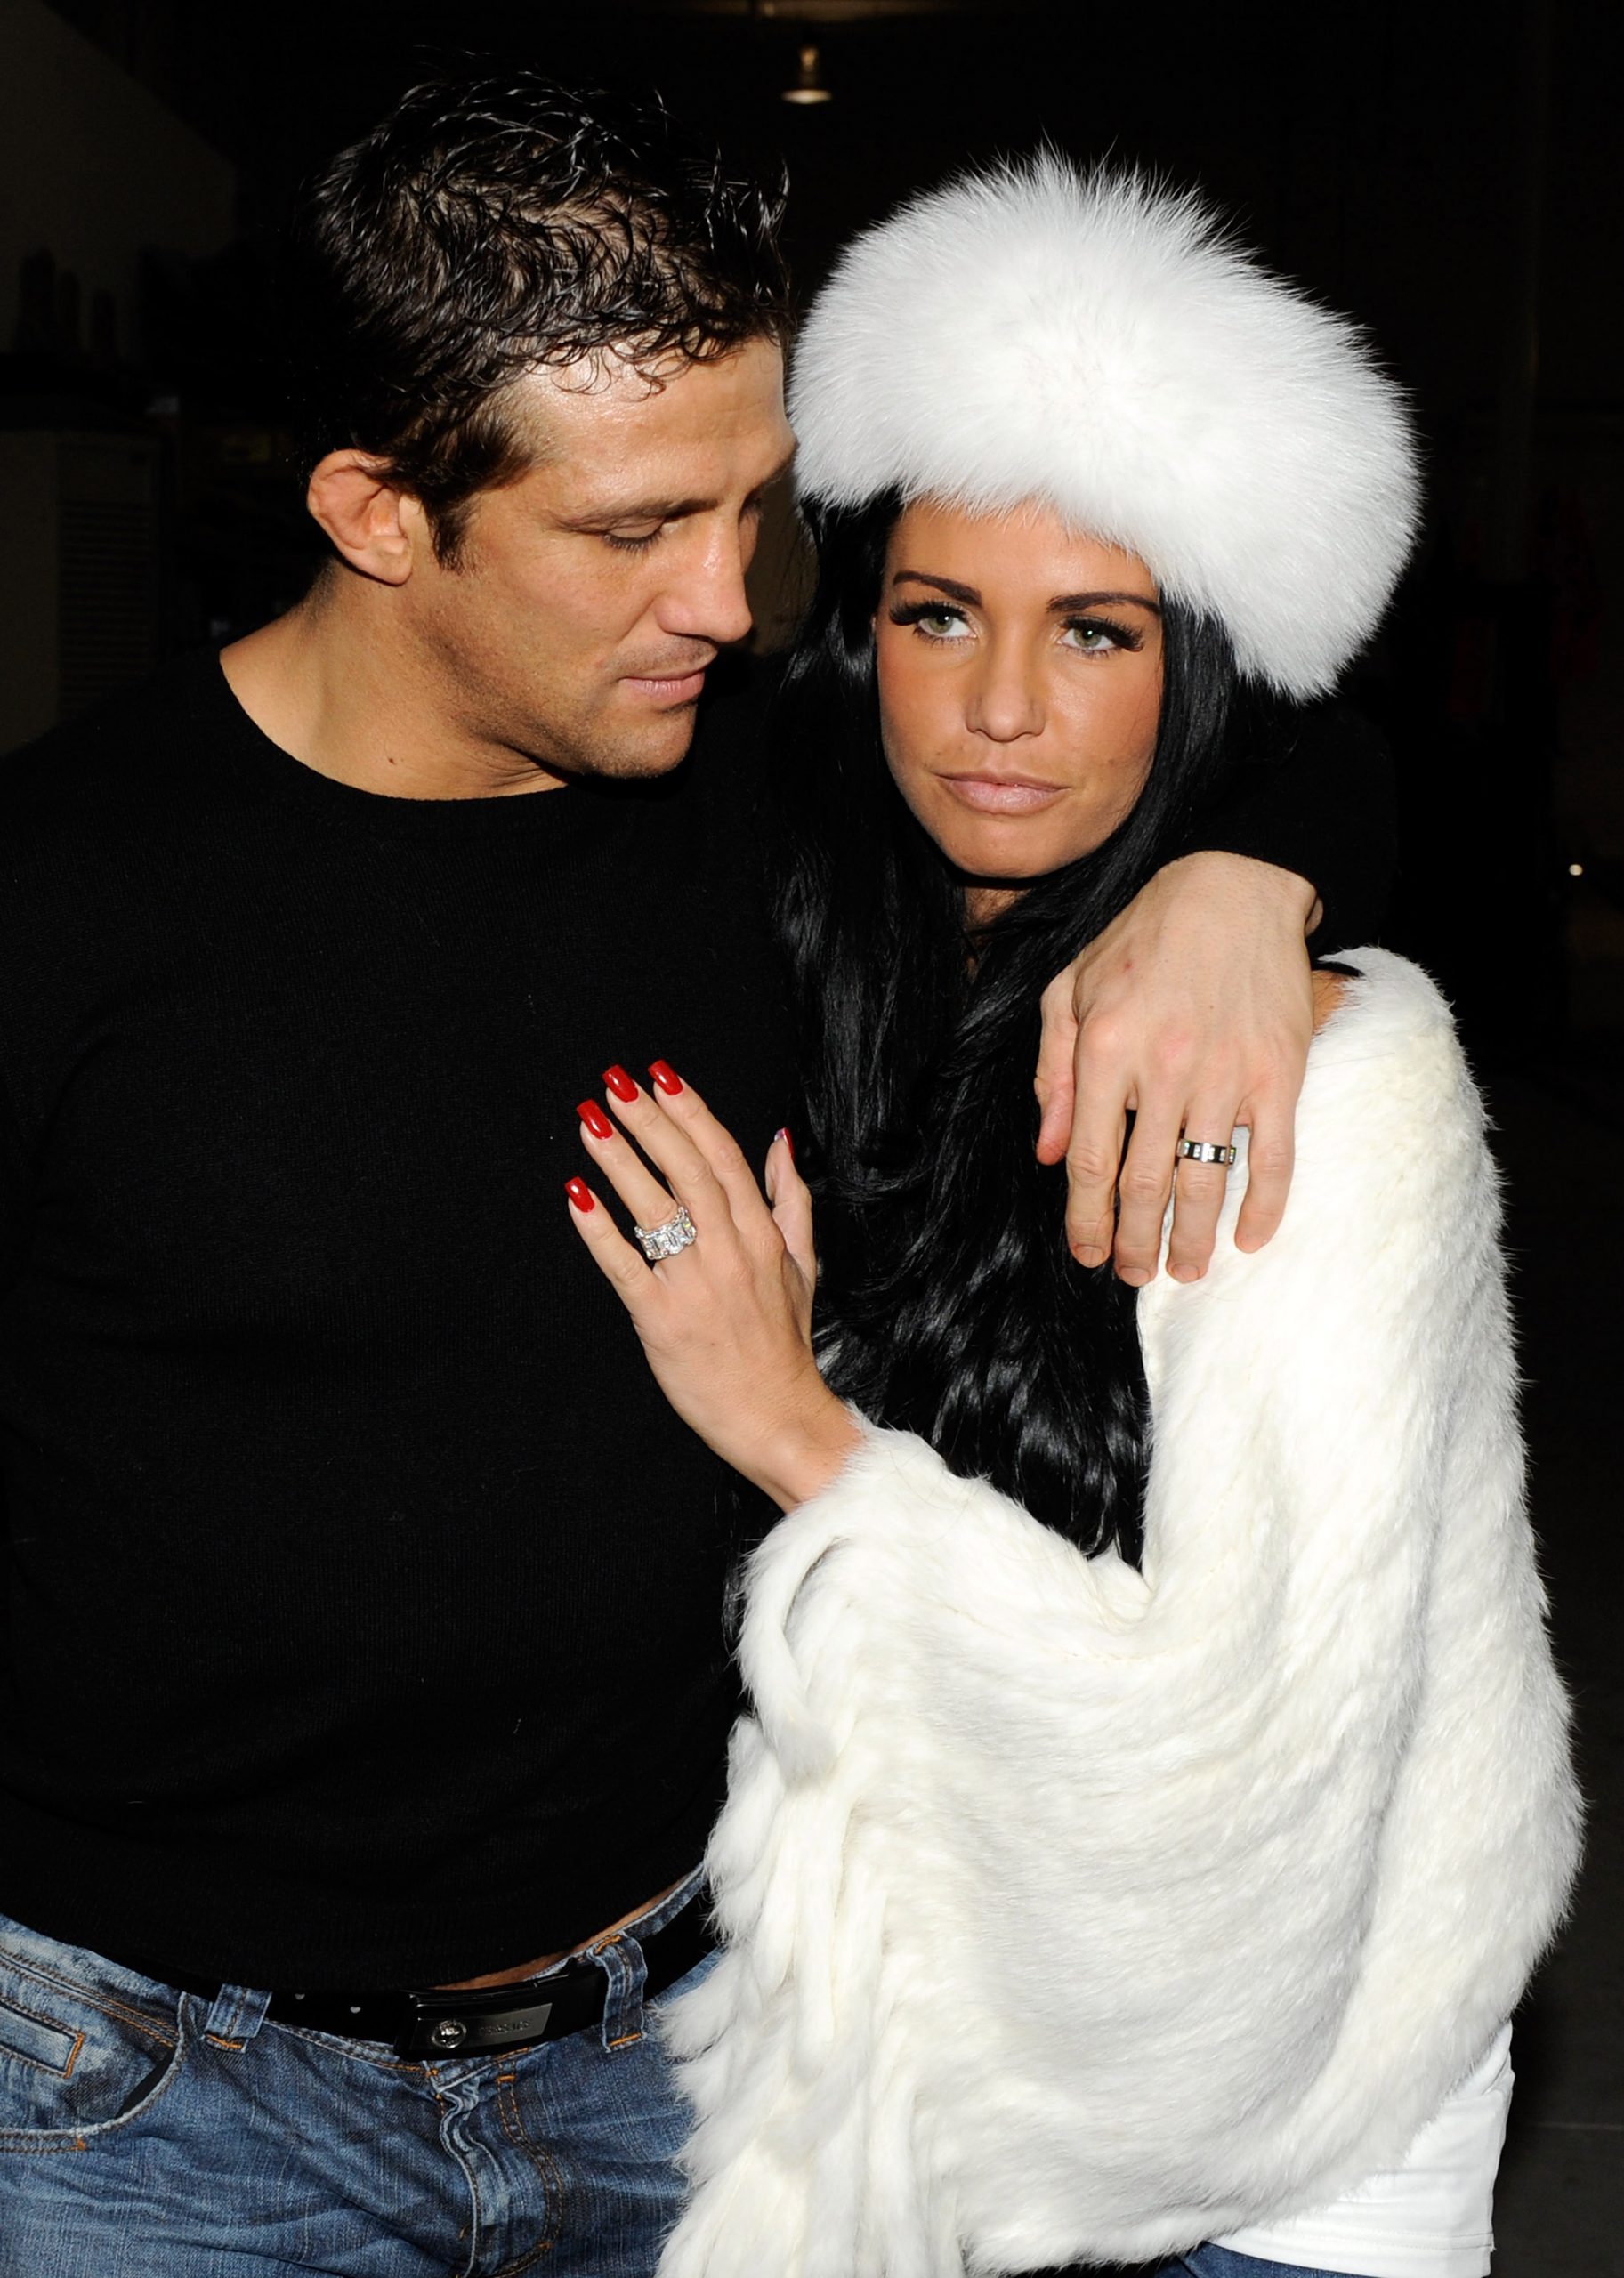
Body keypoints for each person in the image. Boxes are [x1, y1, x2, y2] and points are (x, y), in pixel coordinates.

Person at [0, 83, 1391, 2278]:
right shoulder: (59, 898)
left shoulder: (760, 791)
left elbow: (1187, 699)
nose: (729, 600)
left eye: (755, 507)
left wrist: (1245, 871)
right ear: (379, 509)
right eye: (636, 526)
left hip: (695, 2057)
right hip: (151, 2107)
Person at [566, 165, 1581, 2278]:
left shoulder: (1318, 1074)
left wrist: (791, 1434)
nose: (1000, 709)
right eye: (940, 615)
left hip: (1296, 2112)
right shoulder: (788, 929)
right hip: (905, 2036)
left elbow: (1235, 1770)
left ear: (1203, 668)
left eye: (1095, 630)